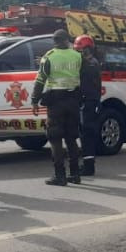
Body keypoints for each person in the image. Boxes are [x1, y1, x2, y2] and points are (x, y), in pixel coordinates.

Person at [31, 29, 82, 186]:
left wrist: (34, 100)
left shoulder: (49, 57)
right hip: (73, 100)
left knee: (55, 138)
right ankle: (75, 174)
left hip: (56, 103)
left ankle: (59, 175)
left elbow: (40, 81)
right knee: (72, 138)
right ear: (67, 40)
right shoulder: (77, 55)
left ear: (55, 41)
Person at [74, 34, 101, 177]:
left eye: (80, 50)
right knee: (86, 134)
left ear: (87, 49)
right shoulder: (92, 62)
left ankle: (88, 167)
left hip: (88, 103)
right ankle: (88, 164)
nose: (78, 53)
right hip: (90, 102)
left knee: (87, 134)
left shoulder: (89, 64)